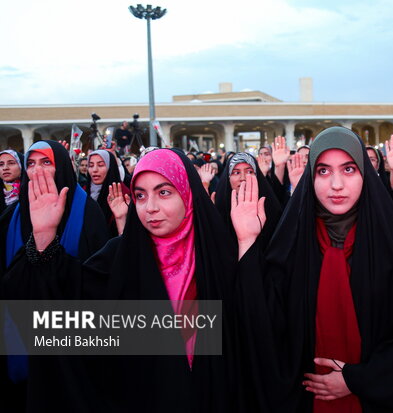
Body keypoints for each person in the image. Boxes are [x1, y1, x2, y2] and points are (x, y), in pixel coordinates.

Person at [2, 148, 244, 411]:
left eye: (164, 192)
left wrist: (249, 242)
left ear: (187, 193)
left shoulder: (218, 253)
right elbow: (68, 298)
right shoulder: (121, 255)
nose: (150, 208)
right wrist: (44, 235)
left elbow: (252, 335)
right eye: (140, 195)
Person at [232, 126, 393, 412]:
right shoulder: (292, 245)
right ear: (310, 177)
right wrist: (247, 241)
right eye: (324, 171)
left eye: (349, 170)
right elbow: (262, 327)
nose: (336, 184)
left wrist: (356, 380)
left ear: (365, 174)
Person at [0, 140, 109, 412]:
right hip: (18, 336)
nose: (38, 170)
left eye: (46, 162)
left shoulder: (89, 213)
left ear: (61, 166)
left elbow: (97, 283)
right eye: (32, 163)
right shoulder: (12, 214)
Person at [213, 152, 281, 251]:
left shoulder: (270, 205)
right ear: (228, 178)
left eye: (249, 172)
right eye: (236, 172)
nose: (243, 178)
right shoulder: (218, 206)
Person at [86, 150, 130, 237]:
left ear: (110, 167)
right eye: (91, 165)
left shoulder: (122, 193)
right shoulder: (83, 191)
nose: (94, 170)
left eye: (100, 165)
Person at [0, 149, 23, 215]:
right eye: (1, 164)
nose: (5, 168)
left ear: (21, 165)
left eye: (11, 163)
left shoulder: (30, 191)